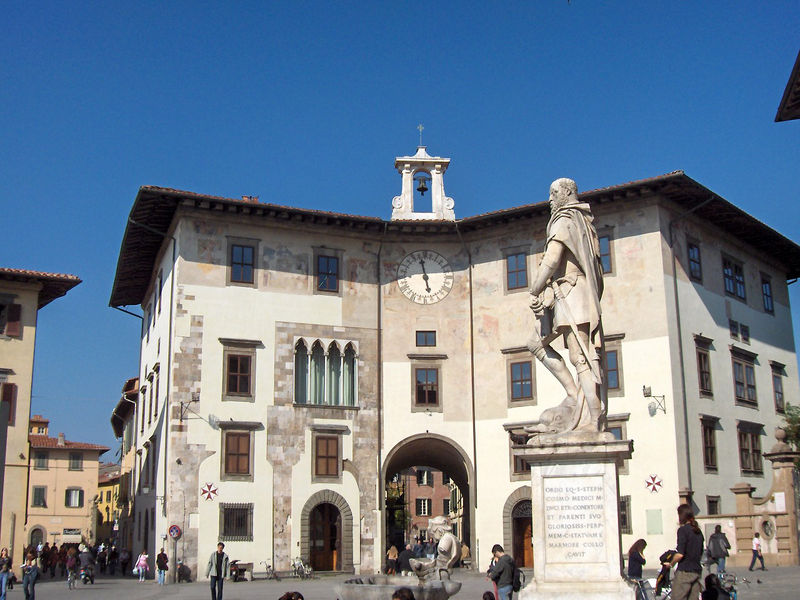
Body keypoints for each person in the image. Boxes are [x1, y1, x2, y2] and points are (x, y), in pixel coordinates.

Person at [527, 178, 605, 434]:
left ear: (568, 192)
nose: (550, 200)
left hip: (573, 293)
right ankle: (574, 395)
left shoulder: (565, 220)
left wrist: (535, 289)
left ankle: (593, 420)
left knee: (581, 358)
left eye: (553, 194)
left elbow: (551, 261)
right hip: (566, 292)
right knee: (536, 343)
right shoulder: (582, 222)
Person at [664, 504, 704, 600]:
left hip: (685, 571)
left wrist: (671, 564)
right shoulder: (698, 531)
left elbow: (680, 554)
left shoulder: (683, 530)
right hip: (696, 570)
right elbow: (700, 552)